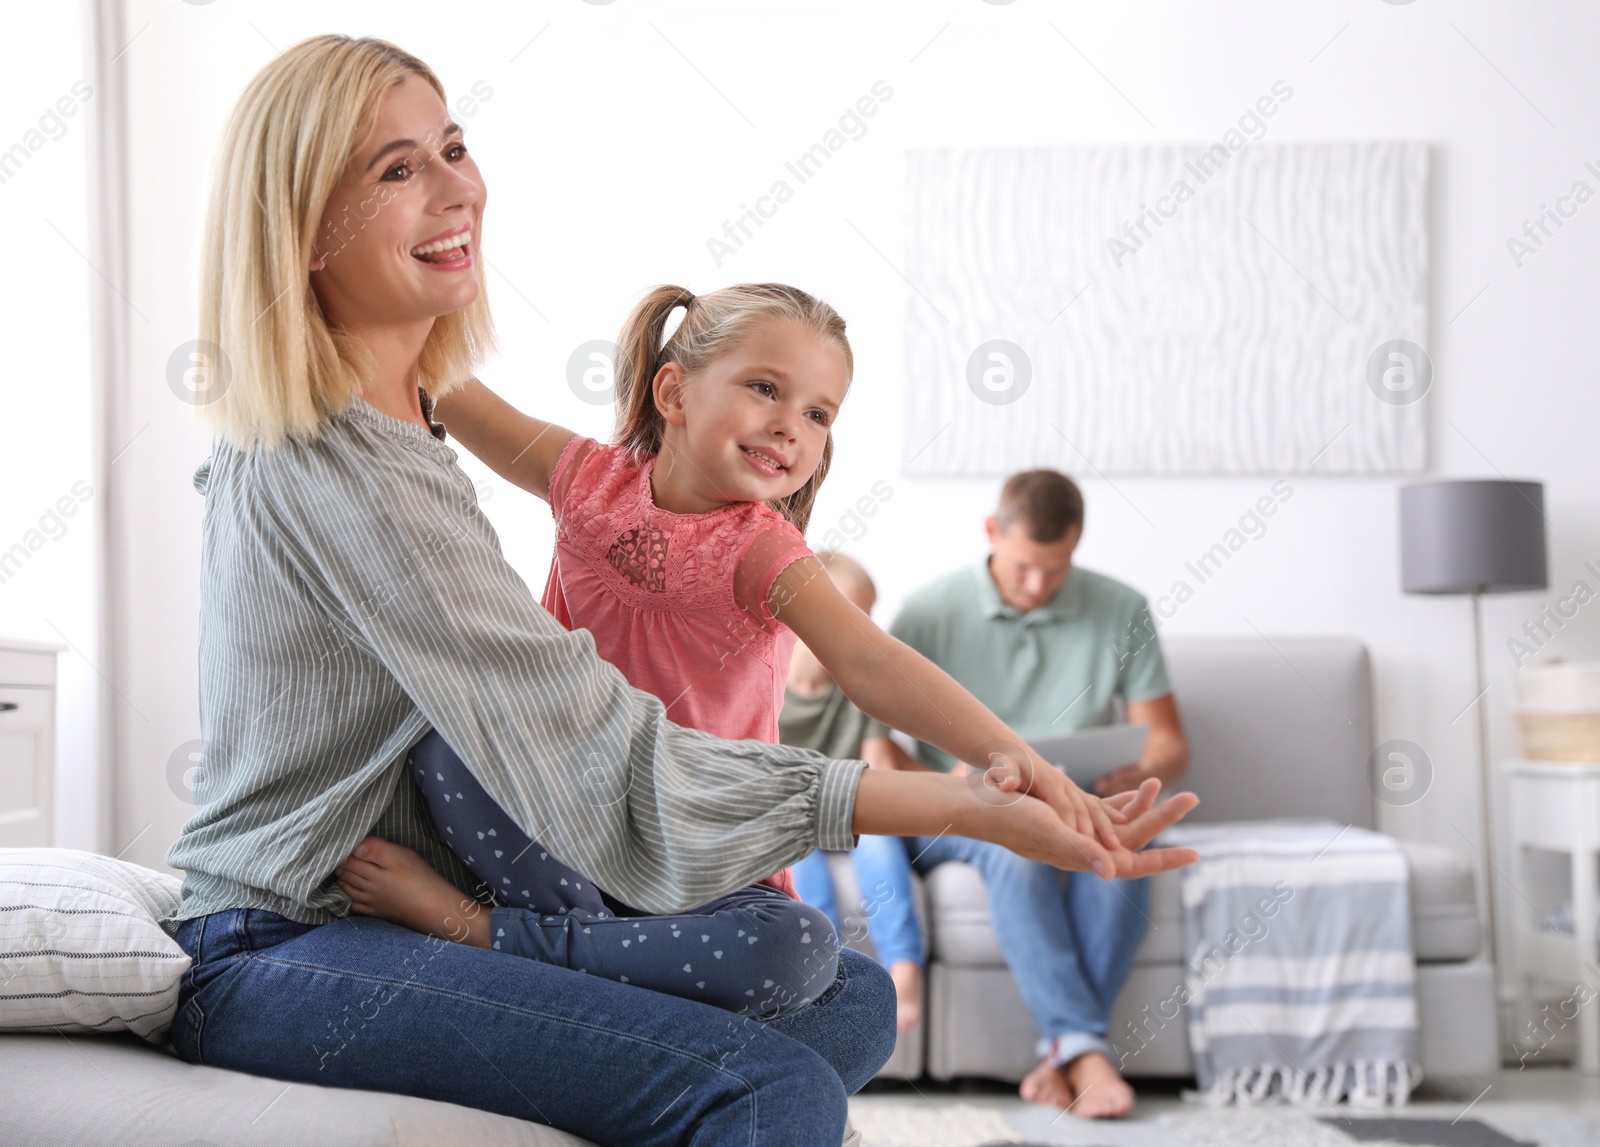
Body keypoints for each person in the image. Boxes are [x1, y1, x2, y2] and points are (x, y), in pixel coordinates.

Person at [162, 35, 1199, 1147]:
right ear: (305, 226)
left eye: (453, 148)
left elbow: (858, 658)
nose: (460, 184)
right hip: (287, 936)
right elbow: (604, 751)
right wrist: (960, 801)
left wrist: (1024, 773)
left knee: (848, 999)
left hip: (475, 880)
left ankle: (547, 964)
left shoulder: (400, 427)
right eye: (397, 168)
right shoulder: (344, 468)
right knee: (772, 1088)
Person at [337, 280, 1173, 1023]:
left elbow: (874, 665)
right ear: (673, 390)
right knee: (443, 730)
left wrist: (1027, 767)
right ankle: (600, 959)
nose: (790, 426)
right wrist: (349, 276)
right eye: (766, 389)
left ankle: (489, 935)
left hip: (702, 855)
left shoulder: (763, 551)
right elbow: (436, 376)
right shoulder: (583, 477)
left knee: (802, 947)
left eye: (818, 413)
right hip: (567, 823)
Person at [889, 469, 1191, 1120]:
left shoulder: (1122, 607)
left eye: (1057, 569)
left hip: (1078, 801)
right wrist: (954, 785)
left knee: (1122, 838)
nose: (1037, 585)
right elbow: (874, 742)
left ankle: (1067, 1052)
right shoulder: (926, 612)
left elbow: (1167, 740)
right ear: (992, 532)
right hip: (962, 809)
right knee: (1017, 845)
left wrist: (1123, 776)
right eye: (1026, 565)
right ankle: (1086, 1053)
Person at [781, 552, 926, 1033]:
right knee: (800, 866)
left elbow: (878, 767)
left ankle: (904, 969)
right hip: (791, 819)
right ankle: (824, 971)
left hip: (849, 814)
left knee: (883, 846)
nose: (859, 633)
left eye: (866, 621)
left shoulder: (860, 687)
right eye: (848, 616)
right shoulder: (769, 680)